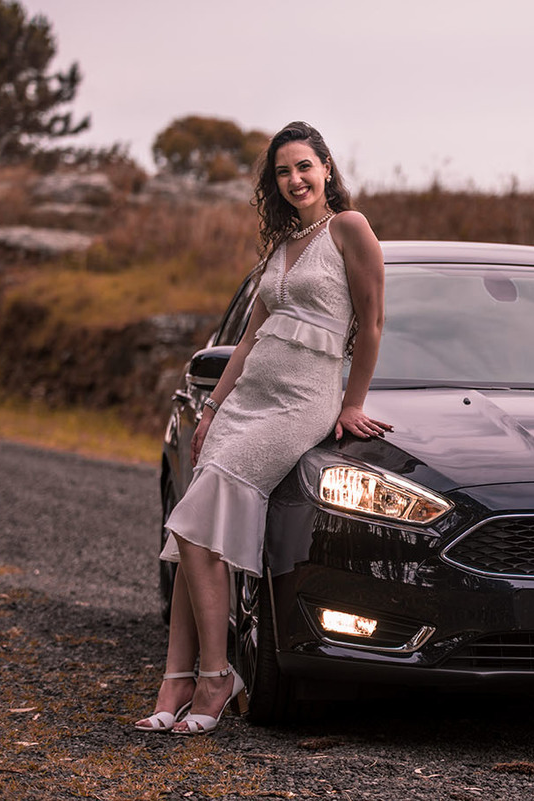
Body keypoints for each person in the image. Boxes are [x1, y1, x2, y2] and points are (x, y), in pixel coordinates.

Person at [134, 121, 391, 735]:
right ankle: (178, 680)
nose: (295, 179)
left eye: (304, 166)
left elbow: (375, 322)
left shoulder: (349, 229)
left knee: (197, 531)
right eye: (283, 171)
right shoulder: (279, 248)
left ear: (326, 167)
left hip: (301, 401)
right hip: (248, 400)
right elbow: (248, 340)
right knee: (195, 536)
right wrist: (215, 407)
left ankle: (216, 677)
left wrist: (351, 402)